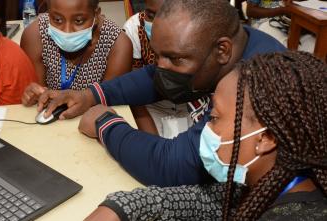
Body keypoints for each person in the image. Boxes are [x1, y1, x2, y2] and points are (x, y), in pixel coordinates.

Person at [38, 0, 286, 187]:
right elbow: (152, 79)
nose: (161, 67)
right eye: (158, 55)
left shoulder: (257, 84)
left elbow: (172, 166)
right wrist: (90, 95)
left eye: (175, 58)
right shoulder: (230, 45)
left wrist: (106, 124)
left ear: (222, 50)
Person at [84, 51, 327, 221]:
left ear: (266, 139)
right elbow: (209, 200)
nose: (206, 129)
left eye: (214, 118)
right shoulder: (269, 181)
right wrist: (122, 207)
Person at [20, 0, 133, 106]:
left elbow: (109, 100)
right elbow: (36, 97)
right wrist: (32, 94)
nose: (67, 31)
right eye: (57, 19)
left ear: (96, 15)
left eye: (78, 21)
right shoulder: (35, 35)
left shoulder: (117, 45)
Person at [123, 0, 203, 138]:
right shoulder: (133, 28)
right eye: (151, 15)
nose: (157, 23)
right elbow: (133, 92)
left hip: (191, 102)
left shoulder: (199, 26)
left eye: (168, 15)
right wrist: (152, 139)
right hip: (151, 105)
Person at [246, 0, 315, 52]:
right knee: (283, 48)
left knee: (312, 46)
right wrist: (282, 10)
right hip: (264, 22)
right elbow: (250, 11)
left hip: (289, 23)